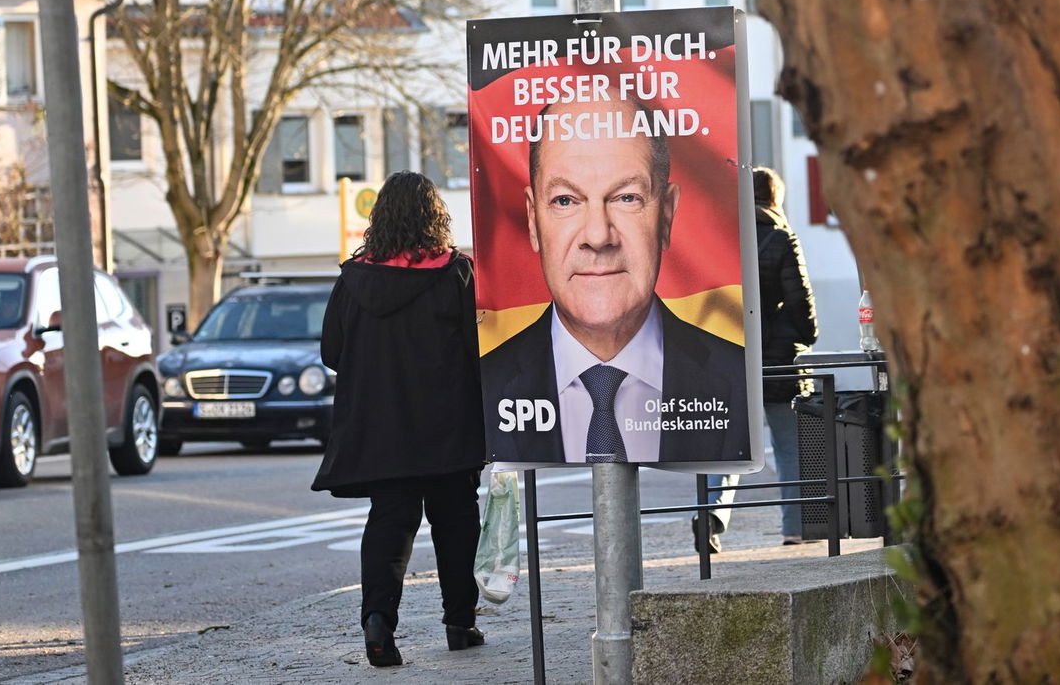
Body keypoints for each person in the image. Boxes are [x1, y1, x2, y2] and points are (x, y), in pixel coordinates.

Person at [481, 96, 749, 463]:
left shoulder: (738, 380)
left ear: (666, 215)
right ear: (532, 220)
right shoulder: (483, 385)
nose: (597, 235)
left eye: (626, 198)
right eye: (565, 201)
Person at [311, 172, 487, 668]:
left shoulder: (353, 279)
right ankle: (459, 622)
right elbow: (481, 348)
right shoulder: (457, 272)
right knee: (455, 519)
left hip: (382, 428)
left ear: (380, 218)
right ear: (436, 217)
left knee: (390, 521)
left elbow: (332, 352)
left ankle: (378, 624)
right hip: (448, 424)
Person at [699, 166, 819, 551]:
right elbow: (801, 304)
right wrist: (801, 334)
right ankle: (796, 530)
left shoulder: (722, 241)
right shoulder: (782, 239)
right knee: (789, 447)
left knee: (729, 446)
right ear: (774, 198)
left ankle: (712, 517)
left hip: (730, 359)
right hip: (780, 363)